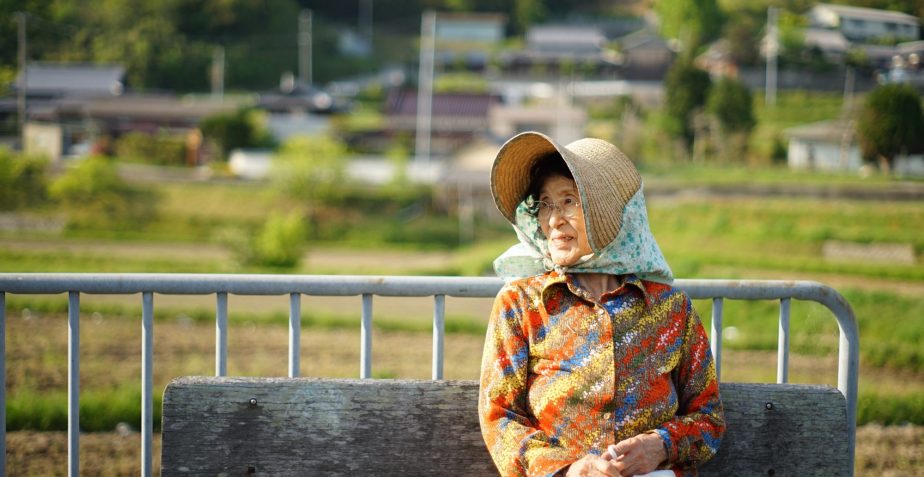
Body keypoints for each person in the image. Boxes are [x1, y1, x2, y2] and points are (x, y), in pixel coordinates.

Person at [478, 132, 725, 477]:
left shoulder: (671, 308)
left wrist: (660, 446)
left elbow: (709, 418)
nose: (554, 220)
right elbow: (499, 416)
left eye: (569, 201)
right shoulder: (521, 304)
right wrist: (570, 469)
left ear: (606, 213)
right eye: (545, 203)